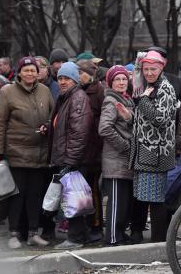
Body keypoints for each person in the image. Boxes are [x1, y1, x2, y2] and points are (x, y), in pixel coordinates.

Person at [0, 56, 54, 249]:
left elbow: (53, 116)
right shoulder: (8, 92)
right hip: (17, 152)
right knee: (17, 195)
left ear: (38, 73)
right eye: (26, 70)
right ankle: (14, 234)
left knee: (35, 195)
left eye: (33, 70)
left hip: (39, 153)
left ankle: (33, 233)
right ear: (19, 72)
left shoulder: (44, 91)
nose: (30, 74)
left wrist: (47, 126)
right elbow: (0, 122)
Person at [129, 50, 177, 243]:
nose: (149, 72)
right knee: (142, 196)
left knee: (156, 199)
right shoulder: (148, 86)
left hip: (156, 153)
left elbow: (160, 119)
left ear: (161, 68)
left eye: (153, 69)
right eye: (146, 69)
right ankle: (142, 235)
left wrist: (142, 101)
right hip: (144, 151)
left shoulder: (165, 88)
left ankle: (159, 241)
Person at [48, 62, 93, 250]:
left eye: (67, 78)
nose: (63, 81)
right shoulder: (66, 97)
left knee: (73, 199)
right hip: (68, 157)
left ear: (75, 79)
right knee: (76, 198)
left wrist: (70, 162)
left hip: (73, 159)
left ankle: (75, 239)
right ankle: (83, 236)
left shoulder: (78, 97)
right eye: (60, 78)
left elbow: (79, 132)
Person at [99, 65, 135, 246]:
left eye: (123, 79)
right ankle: (112, 237)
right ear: (110, 83)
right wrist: (125, 146)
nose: (121, 82)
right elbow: (104, 128)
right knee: (116, 203)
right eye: (117, 80)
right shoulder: (111, 101)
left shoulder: (126, 99)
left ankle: (120, 234)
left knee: (124, 203)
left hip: (125, 160)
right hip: (115, 160)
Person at [77, 58, 105, 241]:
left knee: (94, 189)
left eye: (81, 73)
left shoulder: (99, 91)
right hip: (81, 148)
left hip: (94, 148)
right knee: (82, 189)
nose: (79, 76)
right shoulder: (78, 91)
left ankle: (96, 225)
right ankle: (84, 225)